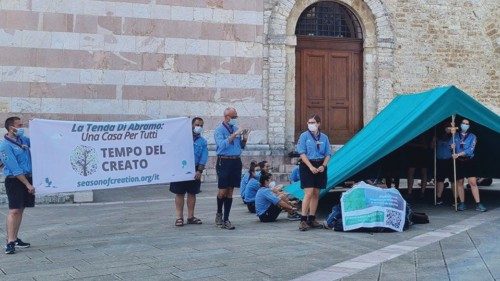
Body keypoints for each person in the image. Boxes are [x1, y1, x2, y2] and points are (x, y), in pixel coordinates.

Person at [0, 117, 34, 254]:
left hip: (28, 178)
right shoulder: (5, 145)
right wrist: (27, 184)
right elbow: (14, 168)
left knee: (20, 209)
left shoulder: (23, 140)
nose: (21, 128)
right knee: (14, 210)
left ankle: (14, 238)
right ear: (10, 127)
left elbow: (39, 143)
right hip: (15, 180)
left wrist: (38, 125)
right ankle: (9, 242)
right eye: (19, 125)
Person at [214, 107, 250, 229]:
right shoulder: (219, 130)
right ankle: (219, 212)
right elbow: (221, 145)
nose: (235, 119)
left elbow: (241, 146)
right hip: (224, 161)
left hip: (235, 161)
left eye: (236, 117)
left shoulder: (235, 129)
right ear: (226, 117)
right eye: (233, 117)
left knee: (230, 191)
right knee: (222, 190)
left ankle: (226, 219)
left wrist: (245, 137)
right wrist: (234, 135)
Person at [169, 117, 208, 226]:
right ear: (191, 125)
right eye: (197, 124)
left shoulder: (203, 141)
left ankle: (190, 217)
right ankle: (179, 217)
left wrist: (199, 171)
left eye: (201, 125)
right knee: (179, 192)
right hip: (180, 169)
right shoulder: (181, 138)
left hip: (195, 169)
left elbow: (204, 156)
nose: (198, 127)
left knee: (192, 193)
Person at [296, 114, 331, 231]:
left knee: (316, 193)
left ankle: (312, 218)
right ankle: (303, 219)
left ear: (318, 124)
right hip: (307, 165)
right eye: (309, 122)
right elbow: (302, 152)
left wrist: (323, 166)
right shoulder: (304, 136)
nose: (310, 124)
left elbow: (328, 154)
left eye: (313, 122)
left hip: (320, 164)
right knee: (309, 192)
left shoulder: (324, 137)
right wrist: (310, 167)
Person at [450, 119, 486, 212]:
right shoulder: (455, 135)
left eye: (467, 124)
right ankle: (462, 203)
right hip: (458, 161)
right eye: (463, 123)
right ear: (460, 124)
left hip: (469, 161)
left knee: (473, 182)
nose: (465, 125)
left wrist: (458, 154)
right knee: (460, 182)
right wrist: (452, 147)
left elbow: (470, 150)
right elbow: (450, 145)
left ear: (469, 126)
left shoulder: (473, 136)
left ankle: (478, 203)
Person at [405, 131, 432, 200]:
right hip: (414, 153)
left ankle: (422, 192)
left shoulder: (427, 132)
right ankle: (410, 192)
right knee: (411, 172)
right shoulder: (414, 130)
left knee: (423, 172)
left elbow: (427, 145)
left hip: (423, 153)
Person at [432, 122, 453, 205]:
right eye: (447, 127)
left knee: (453, 180)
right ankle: (438, 197)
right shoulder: (438, 137)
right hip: (440, 160)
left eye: (450, 127)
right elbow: (431, 147)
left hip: (450, 160)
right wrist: (433, 141)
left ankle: (455, 198)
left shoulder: (454, 137)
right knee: (440, 179)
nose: (448, 129)